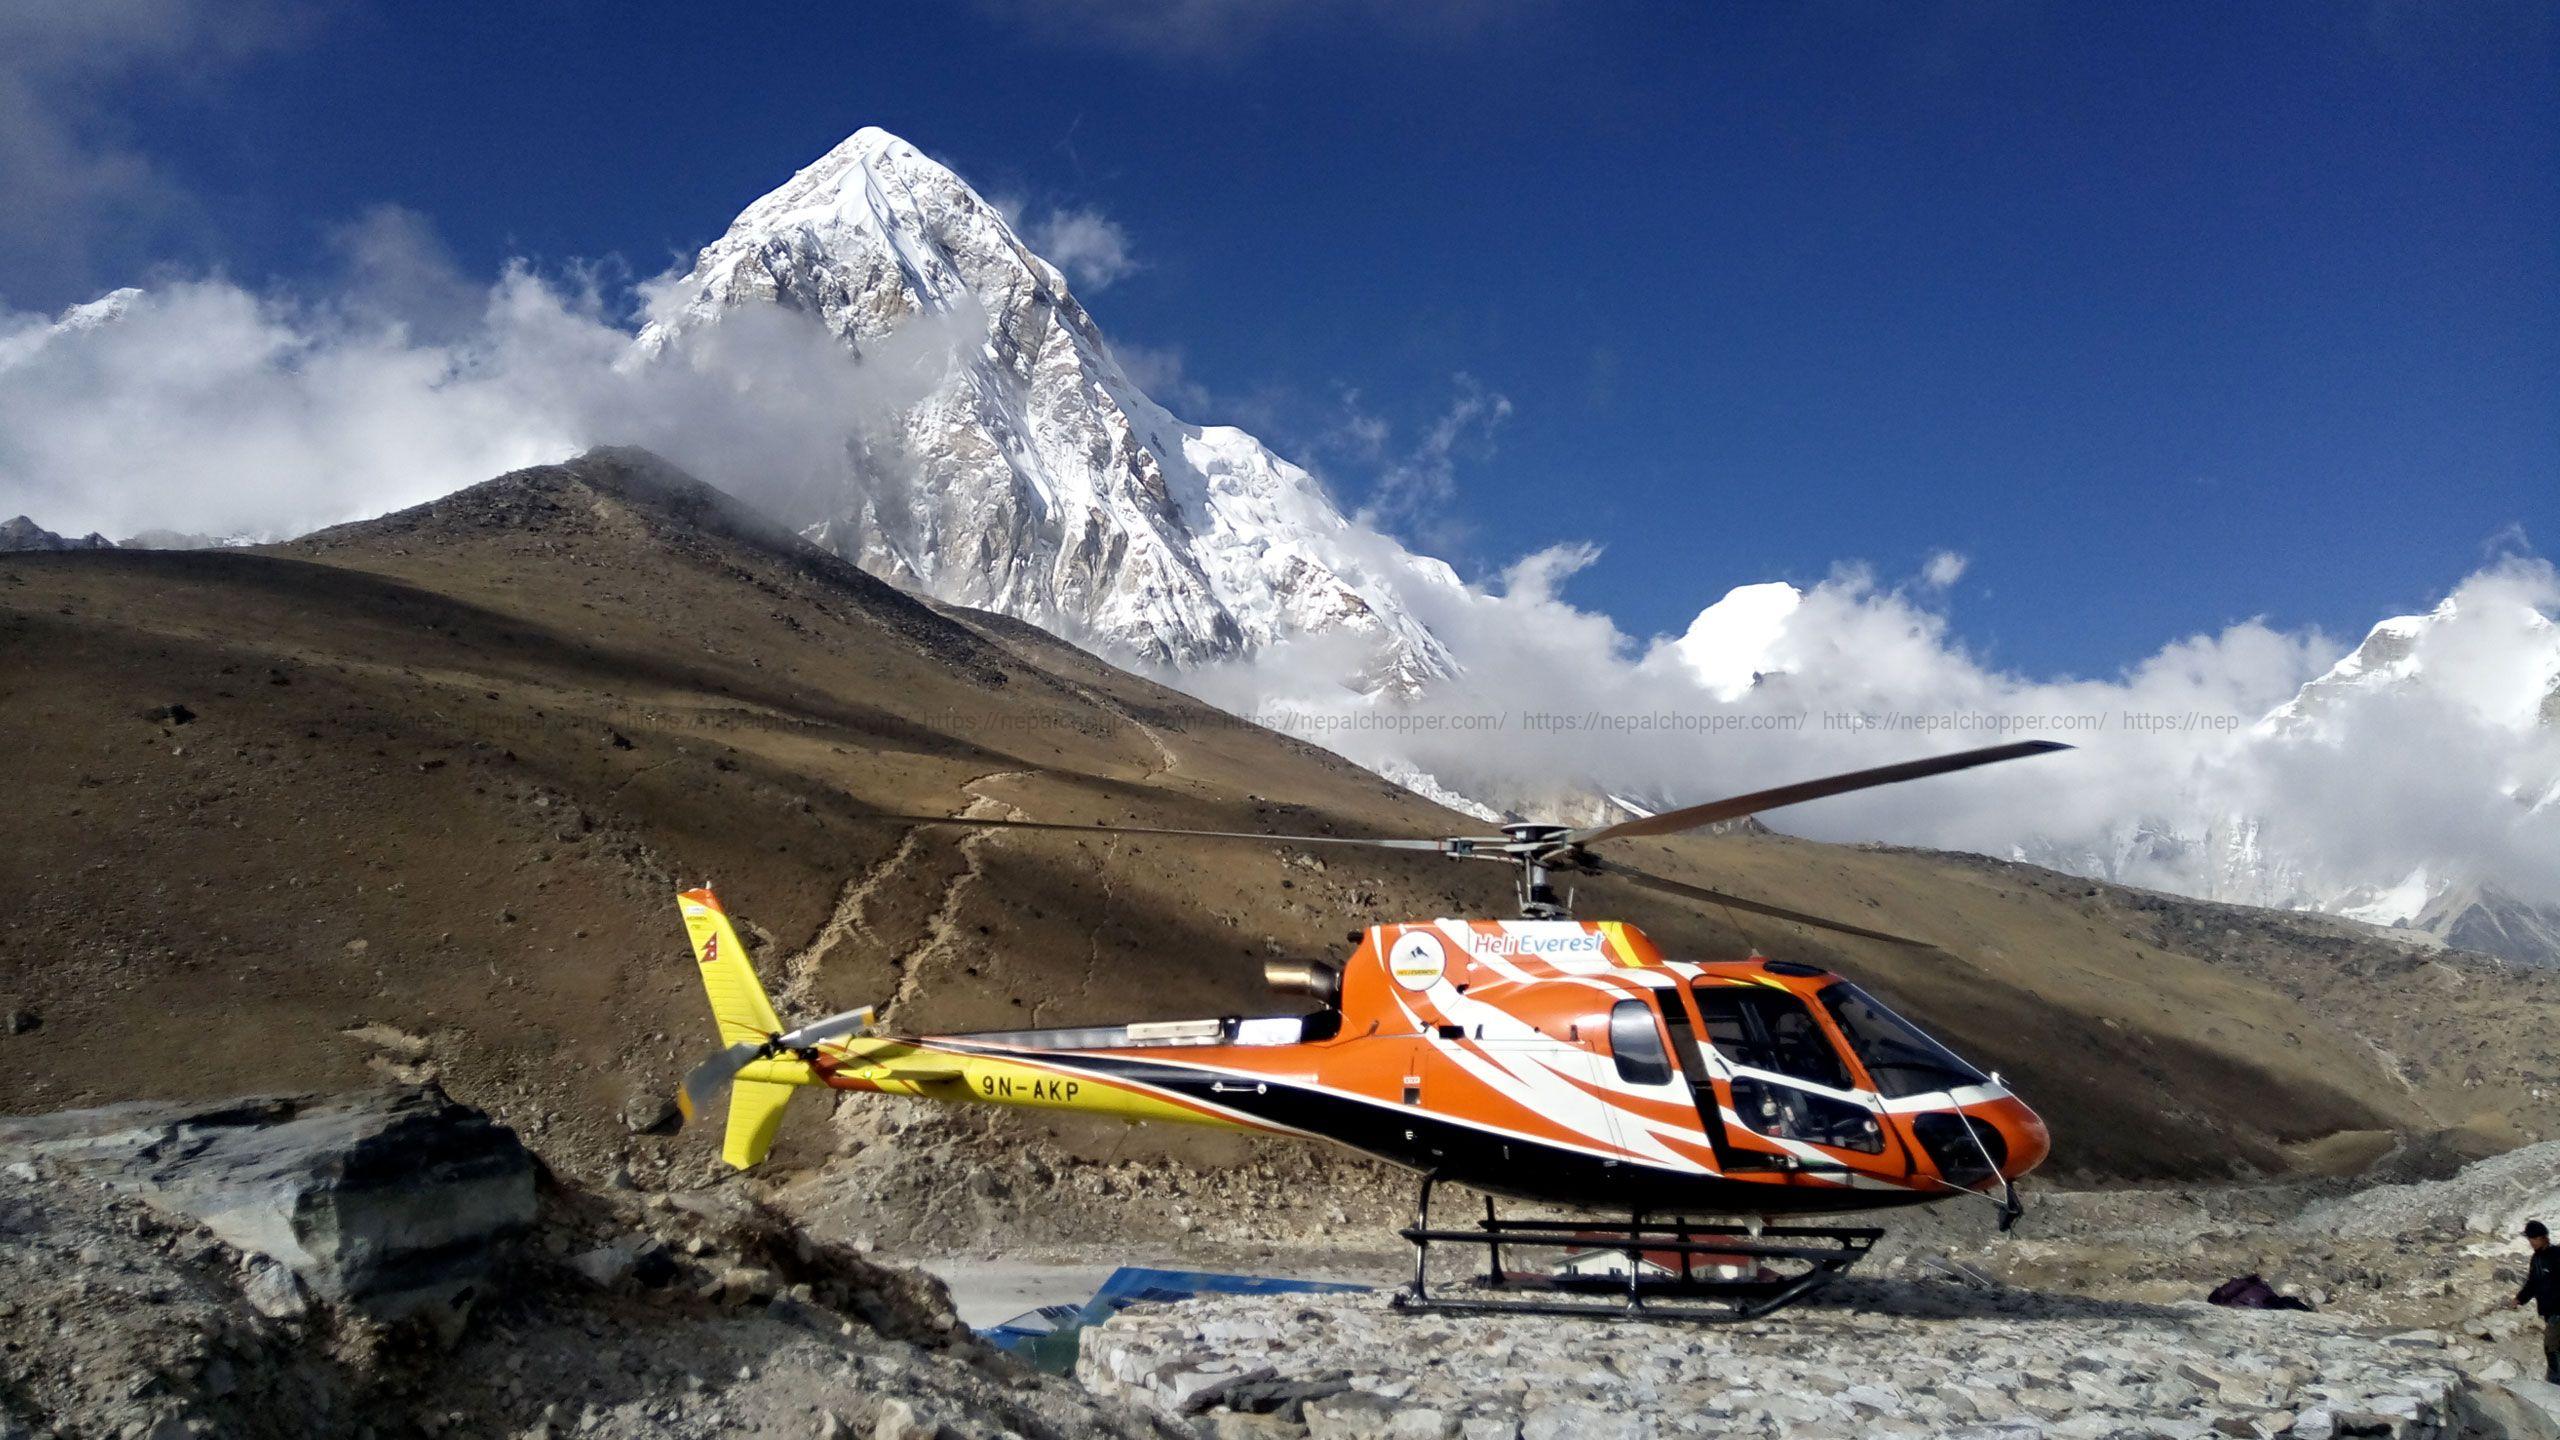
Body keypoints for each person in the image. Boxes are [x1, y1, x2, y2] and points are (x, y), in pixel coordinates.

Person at [2514, 1220, 2560, 1384]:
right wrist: (2520, 1298)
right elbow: (2533, 1283)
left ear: (2542, 1238)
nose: (2531, 1242)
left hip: (2558, 1310)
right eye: (2529, 1239)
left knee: (2551, 1346)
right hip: (2549, 1311)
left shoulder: (2557, 1255)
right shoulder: (2536, 1259)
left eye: (2533, 1238)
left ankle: (2555, 1382)